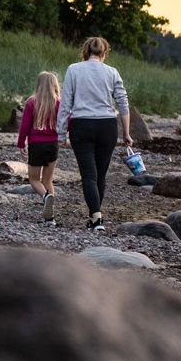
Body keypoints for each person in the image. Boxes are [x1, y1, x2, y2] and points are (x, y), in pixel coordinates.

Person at [56, 37, 131, 231]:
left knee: (89, 175)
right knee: (101, 175)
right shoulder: (112, 72)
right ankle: (95, 216)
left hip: (82, 125)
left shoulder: (74, 69)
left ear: (86, 51)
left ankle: (96, 218)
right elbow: (123, 103)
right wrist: (127, 133)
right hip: (107, 126)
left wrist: (61, 132)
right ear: (104, 53)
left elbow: (66, 103)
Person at [16, 71, 61, 222]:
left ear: (39, 85)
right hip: (53, 145)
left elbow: (25, 126)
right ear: (54, 86)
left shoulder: (31, 102)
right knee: (48, 180)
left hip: (36, 145)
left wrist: (21, 143)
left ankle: (46, 196)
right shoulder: (58, 102)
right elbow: (69, 120)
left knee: (34, 179)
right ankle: (51, 217)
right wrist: (64, 134)